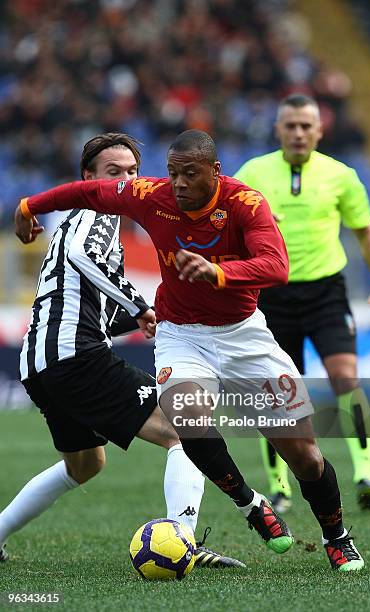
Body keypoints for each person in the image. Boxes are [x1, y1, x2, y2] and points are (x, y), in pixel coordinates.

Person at [15, 129, 365, 571]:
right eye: (173, 173)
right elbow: (89, 189)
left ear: (215, 172)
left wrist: (218, 274)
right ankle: (247, 502)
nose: (178, 184)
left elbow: (276, 266)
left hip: (246, 336)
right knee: (187, 418)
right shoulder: (150, 195)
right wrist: (30, 206)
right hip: (181, 334)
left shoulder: (246, 204)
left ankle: (337, 536)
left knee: (305, 455)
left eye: (190, 174)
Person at [1, 132, 244, 569]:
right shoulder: (94, 215)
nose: (127, 181)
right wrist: (140, 305)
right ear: (89, 179)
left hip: (41, 362)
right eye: (114, 172)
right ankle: (183, 540)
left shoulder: (77, 222)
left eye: (133, 172)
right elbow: (83, 256)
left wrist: (136, 317)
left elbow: (83, 301)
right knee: (183, 428)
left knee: (85, 465)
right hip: (74, 356)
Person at [234, 93, 370, 513]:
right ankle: (280, 487)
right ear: (278, 130)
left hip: (326, 292)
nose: (299, 133)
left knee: (346, 378)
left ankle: (365, 473)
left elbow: (366, 231)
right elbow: (231, 227)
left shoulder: (341, 175)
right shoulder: (253, 172)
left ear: (320, 130)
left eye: (307, 126)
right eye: (291, 125)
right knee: (279, 394)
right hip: (273, 294)